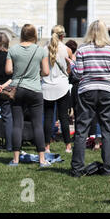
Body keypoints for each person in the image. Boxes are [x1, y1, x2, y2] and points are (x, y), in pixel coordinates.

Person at [67, 20, 110, 177]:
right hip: (107, 90)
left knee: (81, 129)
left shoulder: (83, 49)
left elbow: (78, 73)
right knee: (107, 129)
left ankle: (77, 168)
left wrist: (73, 66)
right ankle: (107, 168)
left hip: (87, 90)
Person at [5, 24, 51, 167]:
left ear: (22, 34)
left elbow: (8, 71)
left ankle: (15, 159)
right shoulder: (40, 50)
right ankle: (42, 159)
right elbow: (46, 72)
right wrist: (37, 73)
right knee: (37, 124)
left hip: (17, 89)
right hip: (35, 89)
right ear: (34, 35)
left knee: (17, 124)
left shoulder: (13, 49)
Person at [42, 25, 73, 154]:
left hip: (47, 85)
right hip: (62, 85)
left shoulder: (43, 49)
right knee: (64, 118)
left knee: (48, 117)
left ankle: (46, 146)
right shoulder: (67, 50)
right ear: (62, 36)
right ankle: (67, 146)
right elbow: (70, 69)